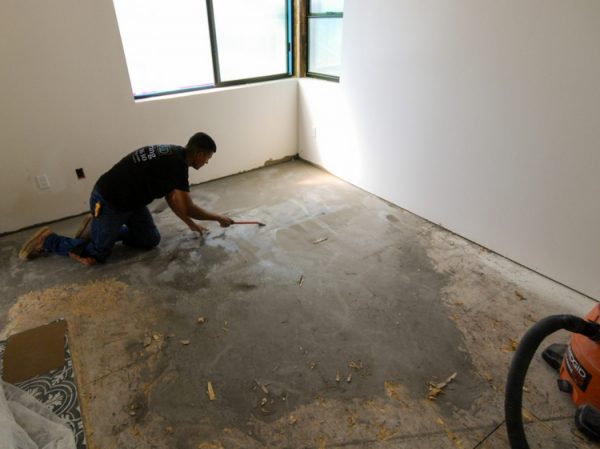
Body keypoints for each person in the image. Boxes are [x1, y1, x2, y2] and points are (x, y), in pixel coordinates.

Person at [19, 132, 234, 265]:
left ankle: (97, 228)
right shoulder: (176, 166)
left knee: (150, 240)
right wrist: (217, 218)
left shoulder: (175, 155)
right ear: (198, 153)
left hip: (133, 202)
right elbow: (189, 207)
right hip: (110, 201)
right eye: (208, 157)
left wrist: (190, 223)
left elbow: (172, 198)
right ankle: (47, 240)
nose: (207, 162)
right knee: (96, 254)